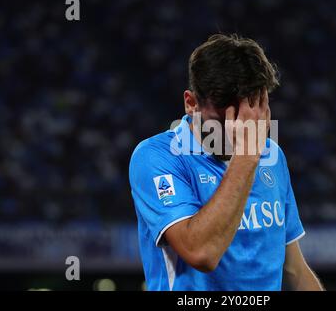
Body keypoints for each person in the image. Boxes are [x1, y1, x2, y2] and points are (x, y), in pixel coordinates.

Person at [129, 34, 324, 291]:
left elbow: (294, 269)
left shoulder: (271, 157)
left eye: (246, 120)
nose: (236, 133)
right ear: (191, 103)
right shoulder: (157, 156)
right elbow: (201, 253)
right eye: (222, 121)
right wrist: (246, 156)